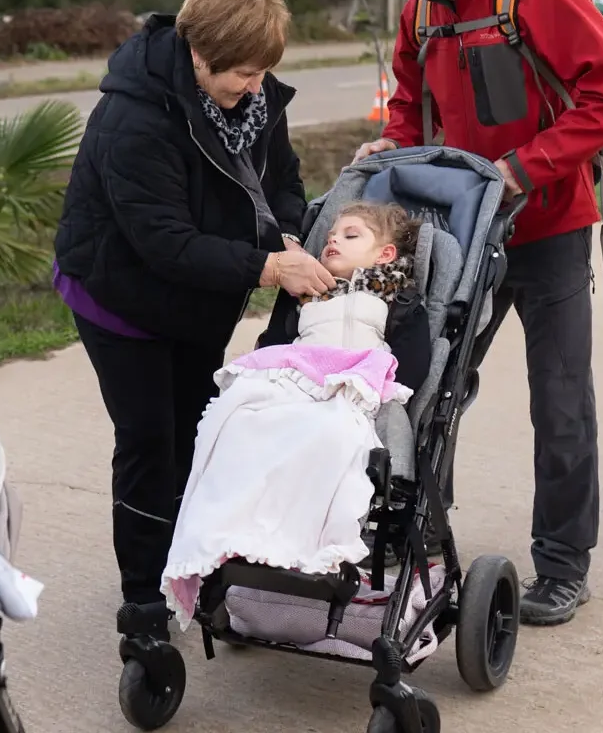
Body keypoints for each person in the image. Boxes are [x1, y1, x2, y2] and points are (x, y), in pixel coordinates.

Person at [353, 0, 603, 625]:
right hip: (457, 235)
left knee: (559, 400)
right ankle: (417, 537)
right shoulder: (421, 9)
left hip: (547, 232)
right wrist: (392, 144)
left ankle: (562, 564)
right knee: (425, 389)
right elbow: (407, 104)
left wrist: (523, 168)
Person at [51, 0, 335, 646]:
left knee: (197, 436)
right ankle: (144, 604)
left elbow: (283, 180)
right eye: (241, 71)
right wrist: (265, 266)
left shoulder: (255, 98)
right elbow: (163, 243)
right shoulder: (133, 118)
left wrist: (287, 231)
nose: (254, 86)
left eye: (264, 71)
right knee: (151, 440)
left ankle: (194, 564)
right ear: (197, 55)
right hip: (119, 293)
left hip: (198, 294)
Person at [161, 202, 424, 623]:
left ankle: (306, 545)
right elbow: (274, 344)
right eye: (330, 236)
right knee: (237, 422)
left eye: (350, 235)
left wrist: (380, 385)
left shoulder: (395, 297)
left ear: (385, 255)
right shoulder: (305, 296)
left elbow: (414, 363)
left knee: (335, 435)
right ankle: (233, 536)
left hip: (349, 390)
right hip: (295, 382)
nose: (332, 240)